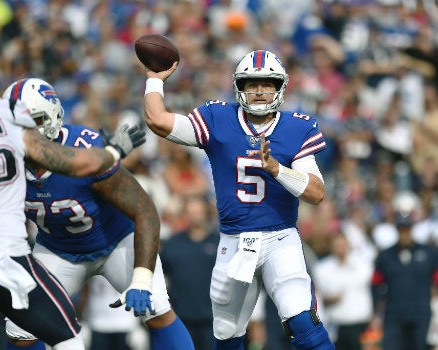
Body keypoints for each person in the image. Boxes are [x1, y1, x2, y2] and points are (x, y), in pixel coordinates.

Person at [0, 54, 145, 350]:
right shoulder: (2, 114)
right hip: (4, 261)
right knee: (69, 337)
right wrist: (112, 152)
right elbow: (71, 163)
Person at [141, 49, 335, 350]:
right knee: (228, 334)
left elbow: (316, 192)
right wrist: (154, 80)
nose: (259, 91)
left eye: (267, 83)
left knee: (302, 322)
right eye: (251, 84)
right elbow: (158, 120)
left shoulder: (297, 127)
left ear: (280, 86)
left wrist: (278, 170)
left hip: (280, 238)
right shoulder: (218, 118)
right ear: (239, 87)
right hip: (234, 242)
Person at [1, 78, 195, 350]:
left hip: (116, 242)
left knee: (157, 309)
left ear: (54, 116)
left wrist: (141, 278)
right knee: (21, 328)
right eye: (19, 124)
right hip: (58, 250)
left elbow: (145, 210)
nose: (27, 132)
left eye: (35, 120)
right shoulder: (2, 162)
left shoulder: (83, 147)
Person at [372, 208, 438, 350]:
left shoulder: (429, 253)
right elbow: (375, 284)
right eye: (401, 229)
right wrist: (376, 312)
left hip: (421, 315)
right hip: (394, 315)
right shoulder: (386, 256)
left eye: (407, 228)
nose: (404, 233)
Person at [160, 193, 220, 350]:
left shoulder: (220, 242)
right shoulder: (173, 243)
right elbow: (160, 274)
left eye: (198, 211)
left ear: (207, 212)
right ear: (185, 214)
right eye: (191, 212)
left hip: (214, 319)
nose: (195, 216)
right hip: (182, 318)